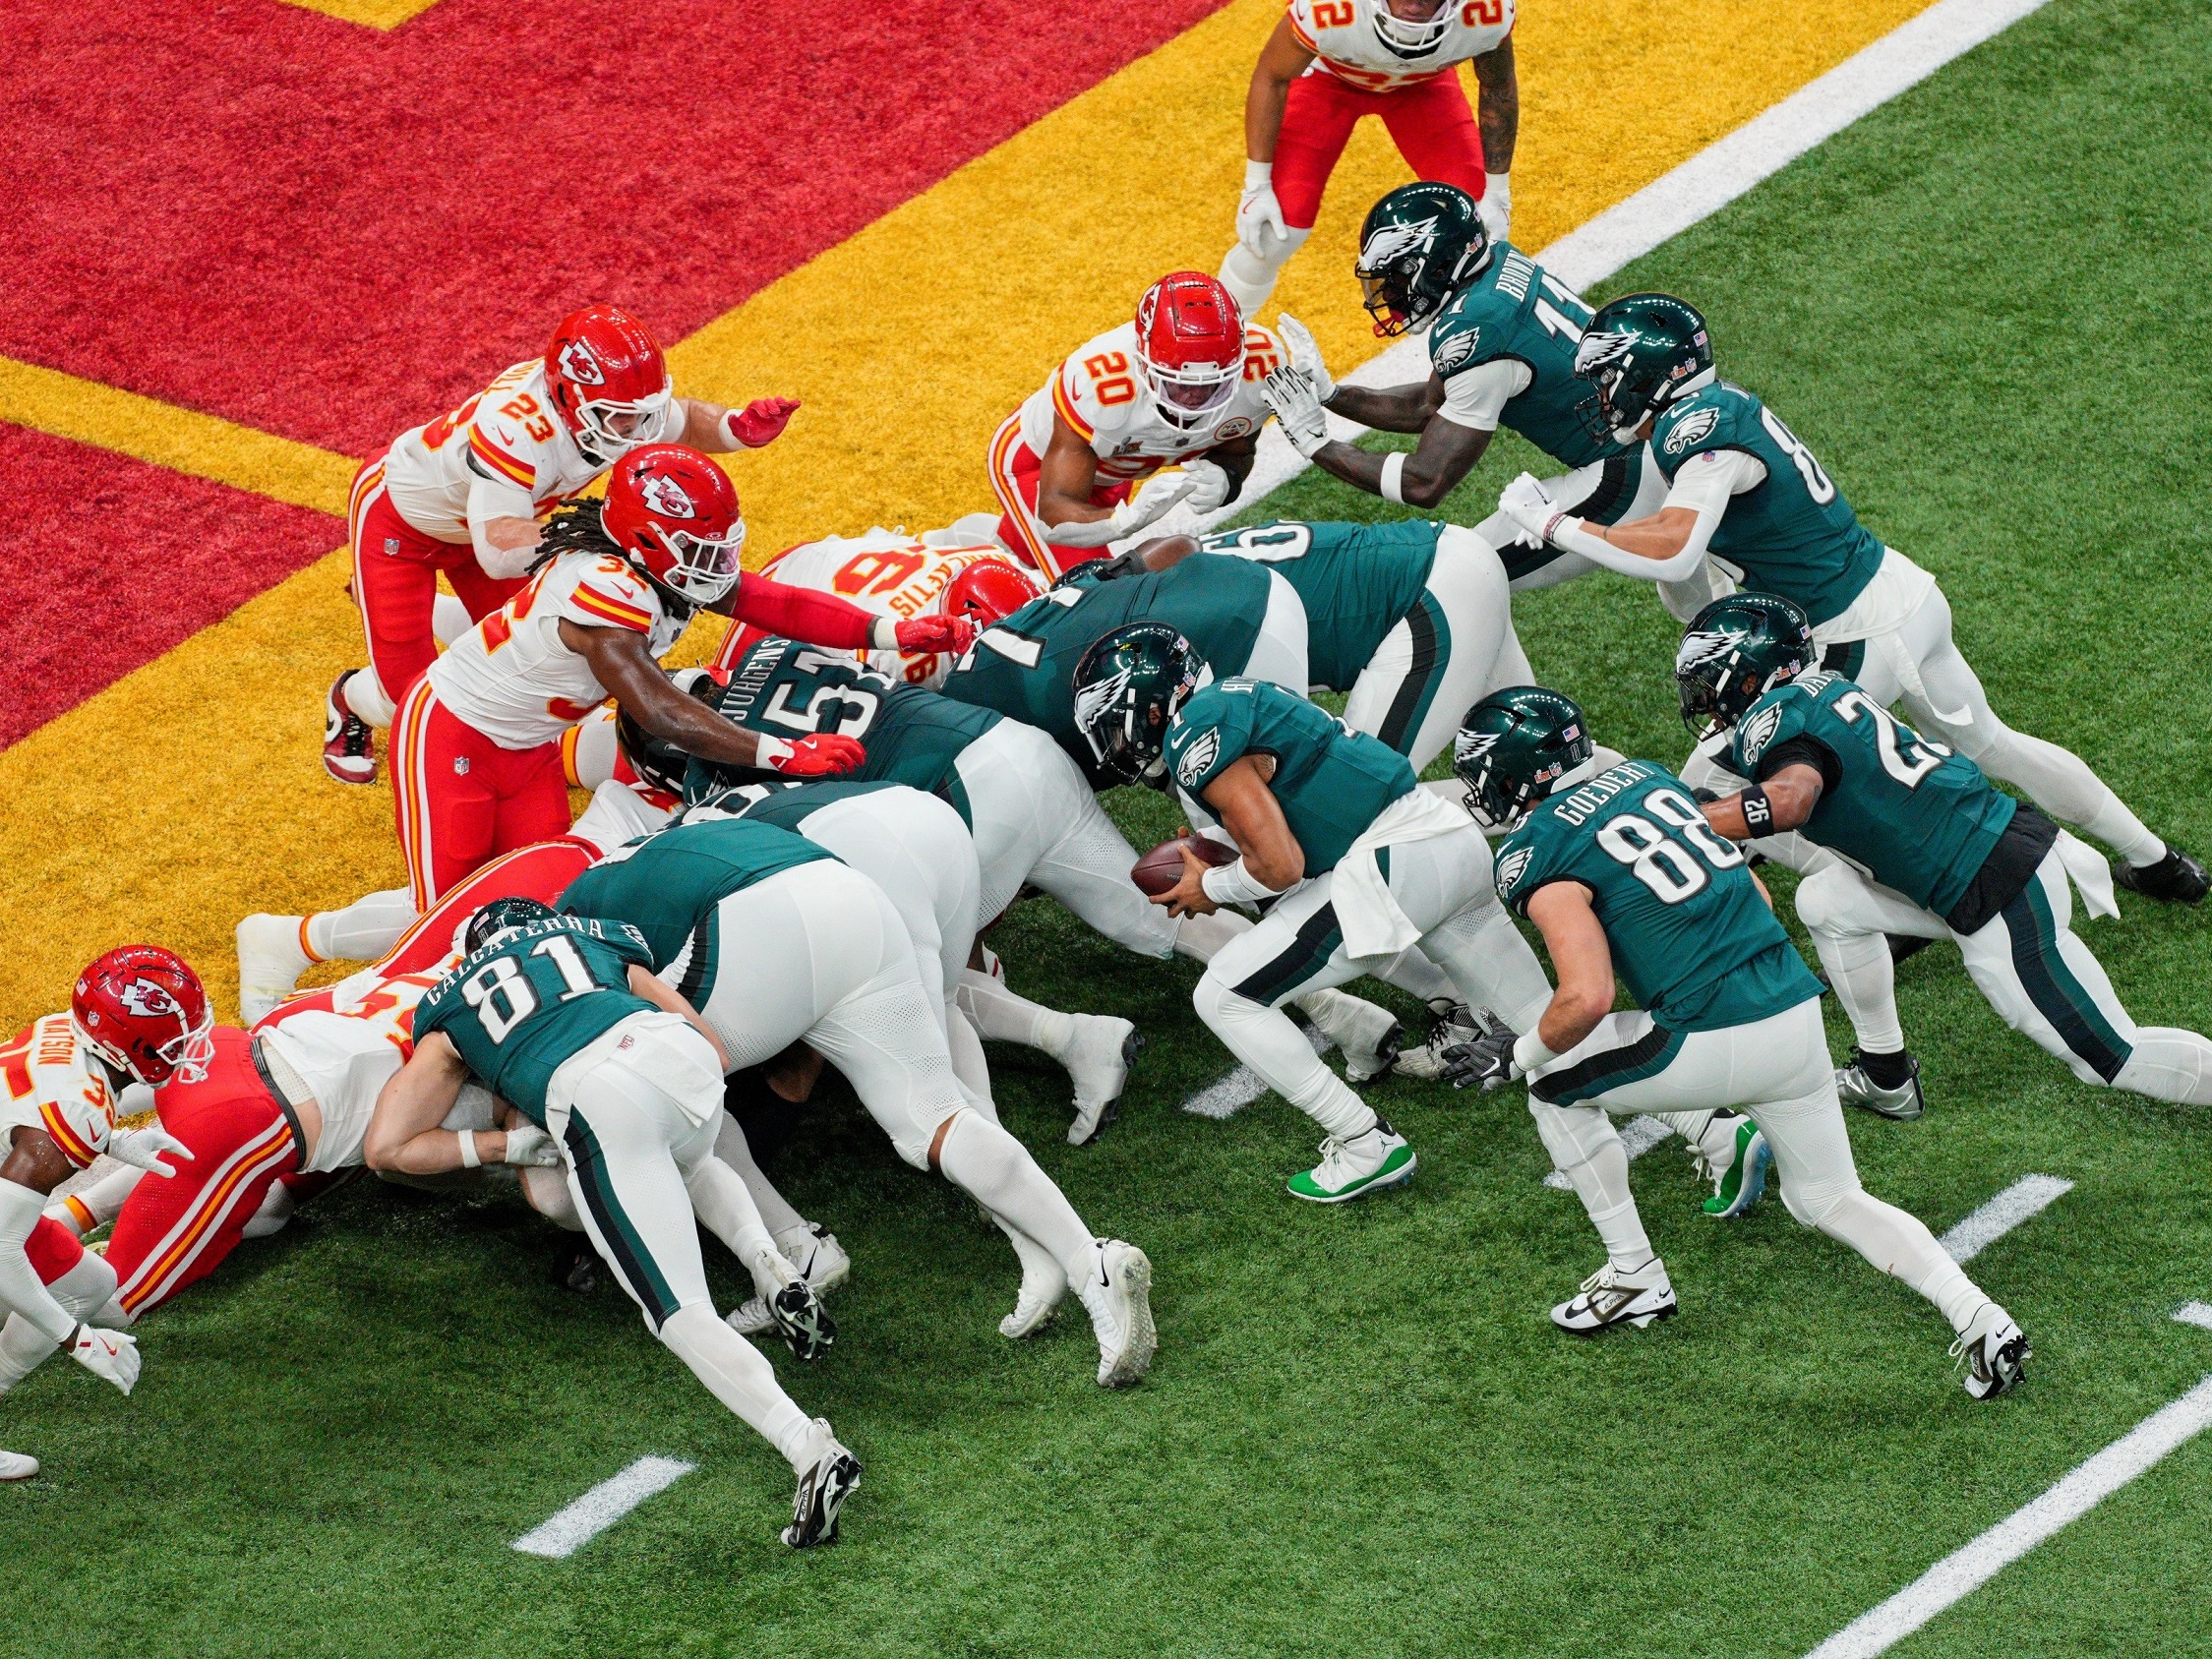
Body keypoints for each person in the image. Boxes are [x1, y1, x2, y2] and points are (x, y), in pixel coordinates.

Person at [1494, 291, 2205, 900]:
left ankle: (1888, 906)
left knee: (1711, 783)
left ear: (1648, 373)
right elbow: (1663, 521)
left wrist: (1552, 524)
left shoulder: (1695, 433)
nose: (1601, 394)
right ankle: (2159, 861)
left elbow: (1676, 544)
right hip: (1899, 587)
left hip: (1851, 630)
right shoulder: (1715, 407)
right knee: (1993, 742)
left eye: (1608, 377)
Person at [1449, 686, 2031, 1399]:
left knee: (1552, 1086)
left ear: (1516, 772)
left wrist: (1516, 1056)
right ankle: (1979, 1315)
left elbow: (1586, 995)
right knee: (1830, 1199)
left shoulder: (1535, 850)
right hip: (1791, 1011)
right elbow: (1751, 894)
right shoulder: (1651, 779)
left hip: (1708, 1030)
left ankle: (1633, 1271)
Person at [556, 814, 1158, 1377]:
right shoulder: (660, 843)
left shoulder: (565, 920)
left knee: (668, 1098)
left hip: (746, 925)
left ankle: (793, 1253)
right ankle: (1090, 1260)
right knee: (933, 1116)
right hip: (849, 893)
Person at [375, 902, 855, 1548]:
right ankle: (772, 1268)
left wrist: (499, 1146)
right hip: (677, 1056)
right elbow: (709, 1044)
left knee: (677, 1312)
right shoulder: (589, 935)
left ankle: (809, 1447)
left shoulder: (451, 1005)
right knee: (691, 1155)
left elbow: (387, 1146)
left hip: (596, 1094)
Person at [1679, 593, 2212, 1119]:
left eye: (1709, 684)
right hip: (1978, 858)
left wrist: (1688, 820)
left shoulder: (1777, 721)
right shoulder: (1825, 686)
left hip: (1997, 889)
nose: (1704, 702)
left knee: (2112, 1057)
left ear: (1750, 676)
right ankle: (1885, 1075)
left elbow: (1791, 800)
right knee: (1825, 900)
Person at [389, 442, 964, 908]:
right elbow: (660, 710)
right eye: (700, 549)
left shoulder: (658, 565)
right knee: (452, 915)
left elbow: (781, 605)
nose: (715, 565)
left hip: (531, 743)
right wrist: (783, 752)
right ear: (644, 541)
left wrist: (888, 631)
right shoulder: (606, 587)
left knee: (540, 898)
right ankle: (317, 952)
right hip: (453, 732)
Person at [325, 301, 802, 783]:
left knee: (516, 650)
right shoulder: (516, 429)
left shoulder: (608, 409)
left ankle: (414, 609)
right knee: (408, 698)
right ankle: (349, 698)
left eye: (639, 414)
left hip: (498, 519)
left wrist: (735, 428)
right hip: (406, 524)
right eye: (619, 417)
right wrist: (610, 539)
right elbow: (498, 551)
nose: (635, 431)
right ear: (565, 397)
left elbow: (680, 420)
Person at [1146, 667, 1552, 1201]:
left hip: (1391, 868)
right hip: (1447, 839)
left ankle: (1364, 1142)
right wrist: (1219, 846)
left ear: (1147, 710)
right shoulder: (1238, 695)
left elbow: (1281, 866)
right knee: (1555, 1030)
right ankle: (1701, 1126)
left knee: (1223, 997)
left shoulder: (1193, 729)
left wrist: (1213, 887)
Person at [1258, 183, 1721, 622]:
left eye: (1397, 278)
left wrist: (1318, 444)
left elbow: (1425, 482)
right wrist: (1332, 394)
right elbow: (1426, 405)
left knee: (1462, 574)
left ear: (1436, 266)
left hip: (1627, 473)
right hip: (1670, 445)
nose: (1389, 295)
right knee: (1707, 600)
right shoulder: (1495, 267)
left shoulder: (1477, 330)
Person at [0, 949, 201, 1478]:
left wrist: (116, 1139)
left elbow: (28, 1105)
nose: (184, 1047)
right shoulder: (76, 1112)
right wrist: (77, 1340)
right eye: (173, 1038)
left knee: (88, 1281)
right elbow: (1, 1252)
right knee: (38, 1281)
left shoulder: (65, 1031)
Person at [1216, 0, 1517, 320]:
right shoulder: (1327, 10)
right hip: (1328, 79)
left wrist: (1497, 193)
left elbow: (1498, 87)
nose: (1415, 4)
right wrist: (1256, 185)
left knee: (1477, 227)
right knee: (1275, 234)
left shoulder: (1487, 12)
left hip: (1422, 85)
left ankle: (1473, 341)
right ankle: (1220, 336)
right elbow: (1272, 76)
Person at [987, 273, 1281, 578]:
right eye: (1177, 383)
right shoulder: (1101, 389)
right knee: (1092, 593)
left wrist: (1228, 477)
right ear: (1142, 361)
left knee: (1020, 558)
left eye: (1213, 384)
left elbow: (1237, 450)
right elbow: (1054, 514)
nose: (1196, 396)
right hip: (1037, 464)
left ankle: (969, 554)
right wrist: (1123, 522)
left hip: (1119, 464)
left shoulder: (1261, 370)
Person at [712, 519, 1042, 689]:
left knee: (974, 527)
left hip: (861, 567)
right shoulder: (898, 661)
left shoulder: (994, 562)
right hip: (790, 580)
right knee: (733, 696)